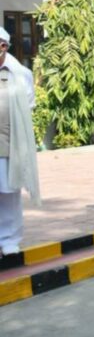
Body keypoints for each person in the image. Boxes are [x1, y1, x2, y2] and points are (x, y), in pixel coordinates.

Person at [0, 27, 39, 256]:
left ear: (3, 46)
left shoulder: (20, 73)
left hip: (8, 141)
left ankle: (9, 239)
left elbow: (29, 104)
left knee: (9, 191)